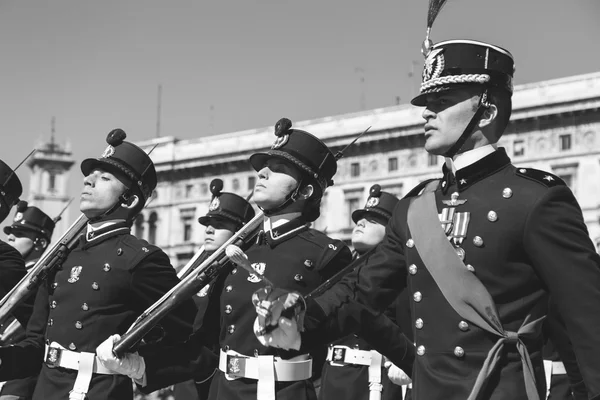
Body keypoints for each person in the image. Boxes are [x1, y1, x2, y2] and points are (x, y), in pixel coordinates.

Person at [253, 34, 600, 400]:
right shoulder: (416, 205)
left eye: (442, 101)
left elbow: (587, 320)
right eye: (426, 102)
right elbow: (362, 288)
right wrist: (300, 312)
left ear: (487, 111)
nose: (426, 112)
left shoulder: (535, 199)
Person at [97, 118, 354, 400]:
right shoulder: (231, 254)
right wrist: (143, 364)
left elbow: (344, 336)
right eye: (264, 167)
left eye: (279, 169)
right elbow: (206, 345)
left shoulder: (327, 254)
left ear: (305, 191)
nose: (263, 173)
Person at [0, 130, 197, 400]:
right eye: (90, 175)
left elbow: (190, 333)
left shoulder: (140, 259)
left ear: (129, 199)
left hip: (98, 392)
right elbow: (37, 345)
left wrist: (139, 363)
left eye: (104, 178)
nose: (88, 181)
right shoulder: (62, 257)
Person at [319, 184, 410, 400]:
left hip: (374, 382)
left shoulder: (401, 278)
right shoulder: (338, 270)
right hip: (332, 377)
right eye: (360, 218)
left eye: (373, 220)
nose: (360, 223)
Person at [172, 179, 255, 400]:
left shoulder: (242, 274)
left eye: (219, 224)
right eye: (208, 223)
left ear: (239, 232)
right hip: (187, 376)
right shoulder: (190, 271)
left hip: (223, 376)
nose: (209, 229)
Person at [1, 201, 56, 400]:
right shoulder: (7, 275)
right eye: (10, 231)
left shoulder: (44, 282)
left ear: (40, 243)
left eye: (21, 233)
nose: (10, 236)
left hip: (20, 377)